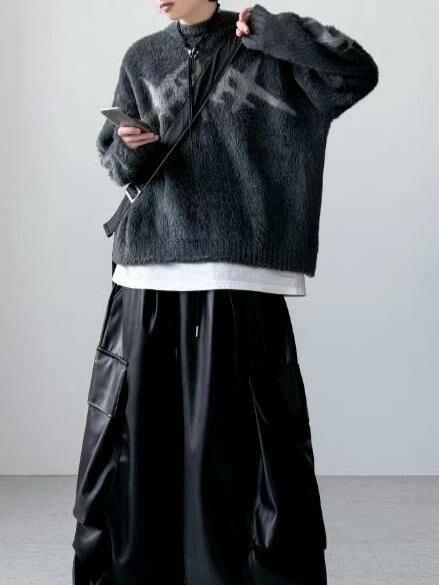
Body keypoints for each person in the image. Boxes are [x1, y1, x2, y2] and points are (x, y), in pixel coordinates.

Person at [71, 2, 379, 584]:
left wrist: (277, 31)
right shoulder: (142, 57)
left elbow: (356, 73)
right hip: (146, 270)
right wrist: (131, 147)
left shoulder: (266, 45)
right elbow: (115, 158)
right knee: (136, 450)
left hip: (237, 272)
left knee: (242, 455)